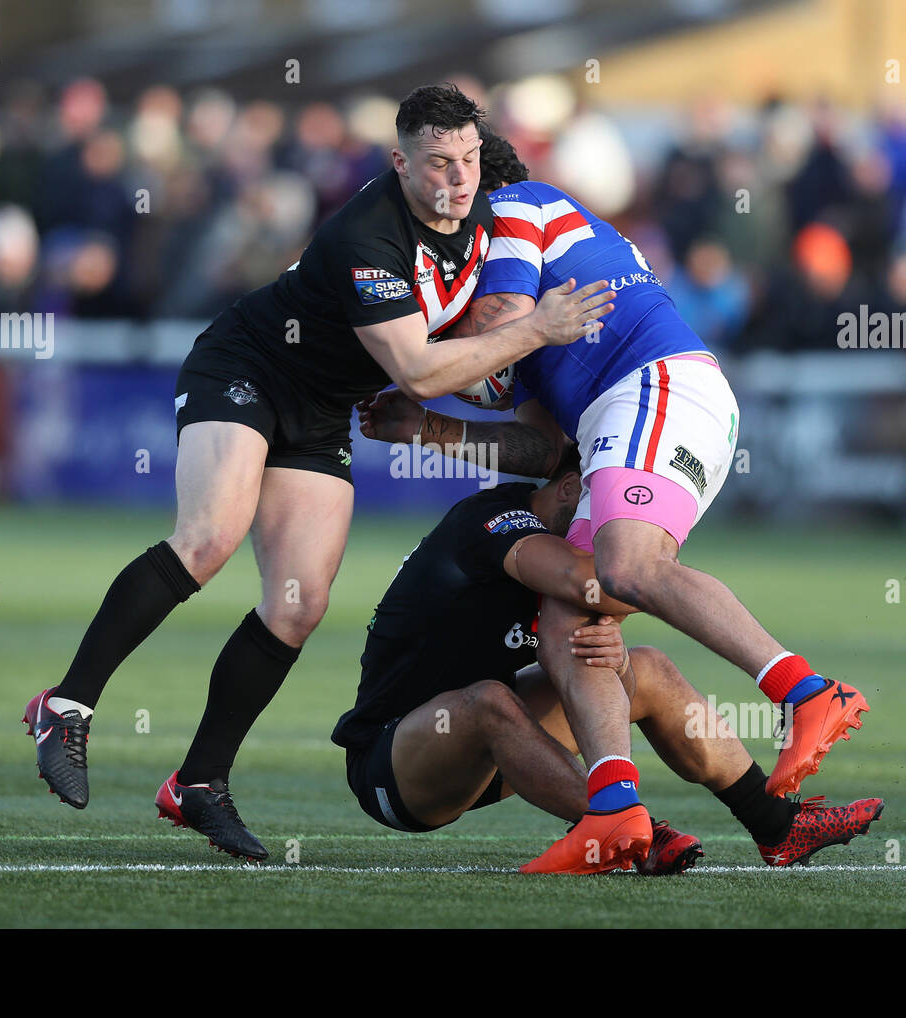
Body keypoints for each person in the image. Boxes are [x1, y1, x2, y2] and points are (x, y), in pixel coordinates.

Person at [23, 84, 615, 860]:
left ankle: (198, 784)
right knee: (208, 539)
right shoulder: (370, 231)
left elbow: (466, 357)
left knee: (298, 605)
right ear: (401, 163)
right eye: (439, 163)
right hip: (249, 367)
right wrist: (536, 328)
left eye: (469, 159)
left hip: (324, 407)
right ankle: (66, 706)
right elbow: (418, 369)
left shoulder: (490, 217)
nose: (459, 178)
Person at [358, 124, 869, 872]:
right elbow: (540, 446)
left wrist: (404, 343)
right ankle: (620, 814)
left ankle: (807, 691)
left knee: (620, 570)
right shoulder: (539, 315)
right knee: (575, 624)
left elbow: (493, 335)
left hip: (653, 384)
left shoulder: (517, 207)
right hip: (638, 403)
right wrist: (435, 424)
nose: (440, 239)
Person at [331, 451, 884, 872]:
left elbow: (595, 679)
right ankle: (618, 829)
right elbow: (591, 581)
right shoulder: (498, 522)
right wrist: (650, 567)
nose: (613, 525)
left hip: (492, 755)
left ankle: (777, 826)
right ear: (570, 487)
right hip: (396, 761)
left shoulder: (575, 551)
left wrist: (617, 658)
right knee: (489, 702)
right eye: (606, 506)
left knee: (651, 672)